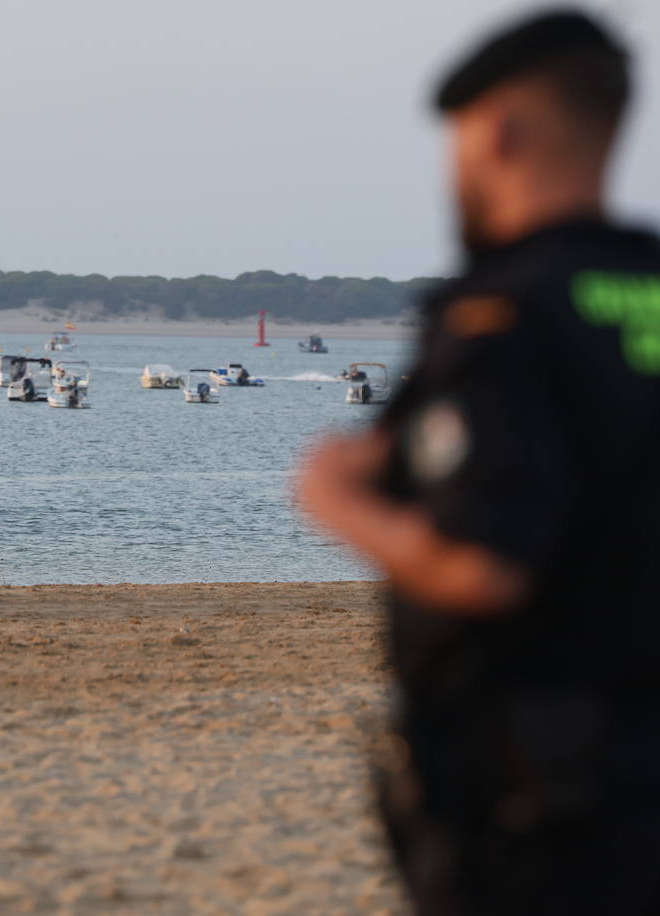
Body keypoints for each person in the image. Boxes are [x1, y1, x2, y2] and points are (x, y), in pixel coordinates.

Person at [297, 9, 660, 913]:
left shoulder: (506, 315)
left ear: (496, 130)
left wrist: (338, 498)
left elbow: (484, 566)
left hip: (543, 803)